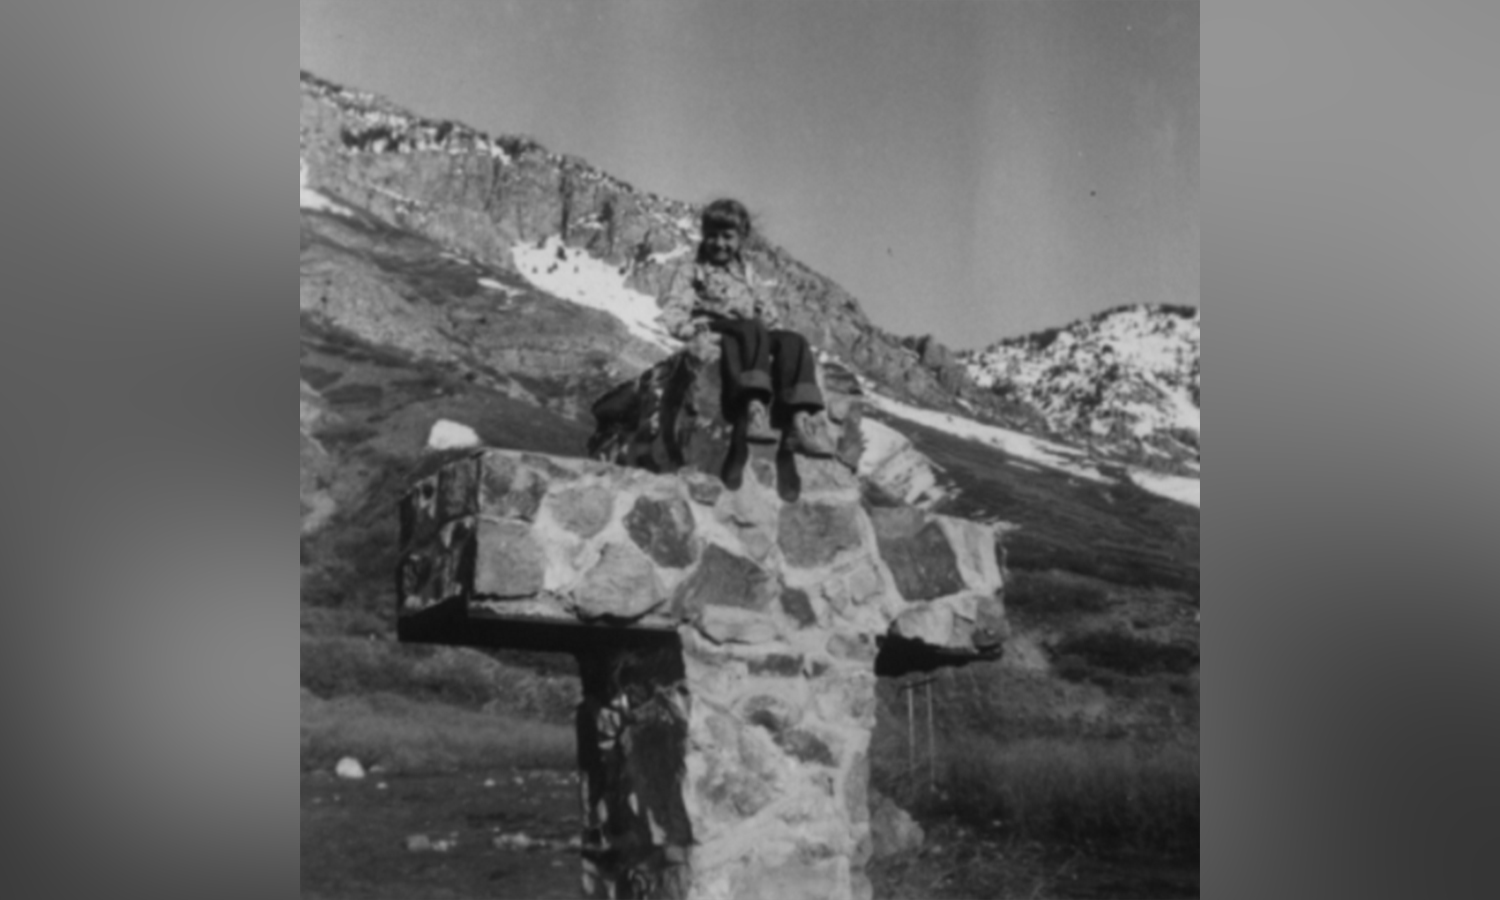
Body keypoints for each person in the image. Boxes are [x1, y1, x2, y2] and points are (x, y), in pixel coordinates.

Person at [660, 199, 836, 486]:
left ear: (741, 238)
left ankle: (800, 418)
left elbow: (769, 317)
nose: (719, 243)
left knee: (794, 341)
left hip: (749, 332)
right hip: (715, 327)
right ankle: (754, 406)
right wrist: (696, 333)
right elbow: (673, 315)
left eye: (727, 237)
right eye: (713, 235)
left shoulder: (748, 273)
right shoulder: (693, 269)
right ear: (704, 235)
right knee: (748, 329)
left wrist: (779, 344)